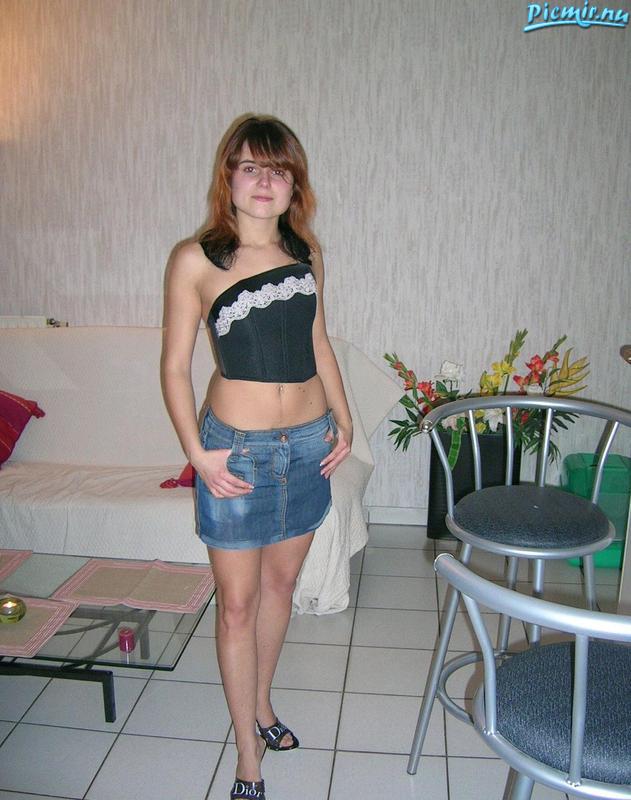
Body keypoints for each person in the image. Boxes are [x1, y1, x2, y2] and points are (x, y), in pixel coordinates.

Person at [162, 114, 352, 800]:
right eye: (250, 167)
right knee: (237, 607)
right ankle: (247, 754)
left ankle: (262, 705)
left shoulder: (306, 252)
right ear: (229, 178)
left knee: (280, 589)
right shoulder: (196, 259)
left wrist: (346, 421)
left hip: (307, 445)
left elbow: (319, 343)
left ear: (294, 183)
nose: (264, 181)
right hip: (235, 453)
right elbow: (173, 367)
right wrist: (197, 454)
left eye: (279, 169)